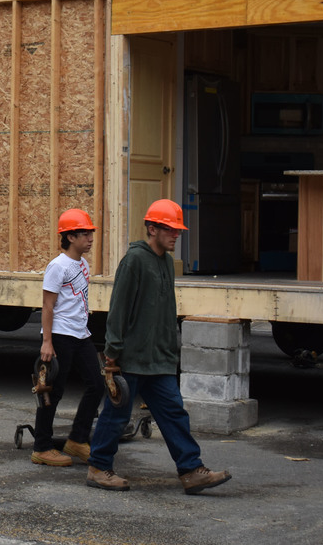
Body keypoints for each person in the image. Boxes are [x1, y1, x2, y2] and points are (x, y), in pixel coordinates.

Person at [86, 199, 232, 494]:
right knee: (116, 415)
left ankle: (191, 470)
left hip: (159, 359)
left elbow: (163, 311)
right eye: (170, 229)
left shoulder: (166, 261)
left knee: (175, 413)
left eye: (178, 230)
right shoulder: (134, 260)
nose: (176, 234)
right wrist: (112, 353)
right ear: (152, 228)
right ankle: (98, 468)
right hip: (131, 358)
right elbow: (119, 309)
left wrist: (170, 350)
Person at [31, 209, 105, 467]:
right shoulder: (57, 266)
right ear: (70, 236)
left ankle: (77, 440)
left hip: (81, 334)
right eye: (85, 233)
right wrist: (47, 342)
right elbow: (48, 306)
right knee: (52, 390)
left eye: (90, 233)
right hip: (60, 335)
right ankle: (41, 447)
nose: (90, 238)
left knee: (97, 384)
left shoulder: (82, 264)